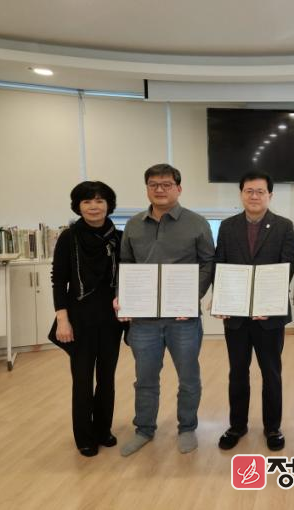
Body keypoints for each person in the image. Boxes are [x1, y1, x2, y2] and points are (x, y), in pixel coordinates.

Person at [117, 163, 215, 457]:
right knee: (145, 379)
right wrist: (124, 296)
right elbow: (126, 265)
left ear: (178, 188)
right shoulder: (133, 224)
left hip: (183, 318)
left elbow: (208, 262)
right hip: (143, 319)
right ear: (147, 188)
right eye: (153, 184)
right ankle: (144, 429)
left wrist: (192, 297)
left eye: (166, 184)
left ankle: (187, 428)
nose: (159, 189)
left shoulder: (197, 223)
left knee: (188, 377)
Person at [214, 172, 294, 451]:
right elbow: (220, 264)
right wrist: (222, 300)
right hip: (235, 315)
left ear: (270, 195)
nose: (254, 196)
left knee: (271, 373)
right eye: (249, 191)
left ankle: (273, 428)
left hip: (269, 317)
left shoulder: (284, 226)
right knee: (237, 372)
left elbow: (288, 266)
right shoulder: (228, 226)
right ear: (241, 194)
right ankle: (237, 425)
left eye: (260, 191)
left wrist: (267, 302)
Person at [51, 180, 124, 457]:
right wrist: (62, 320)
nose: (94, 206)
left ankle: (103, 429)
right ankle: (84, 436)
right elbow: (59, 281)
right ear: (78, 206)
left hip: (111, 319)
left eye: (99, 200)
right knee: (82, 380)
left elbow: (128, 276)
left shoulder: (119, 237)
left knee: (107, 378)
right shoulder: (69, 238)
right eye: (87, 201)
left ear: (109, 205)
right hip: (79, 319)